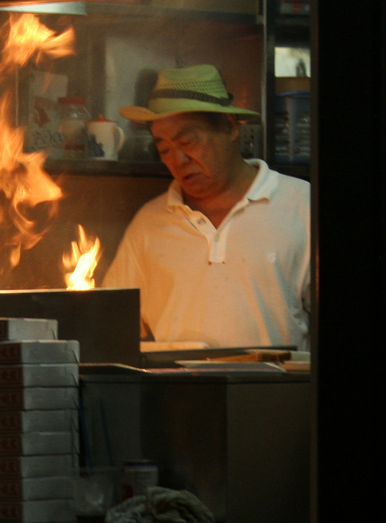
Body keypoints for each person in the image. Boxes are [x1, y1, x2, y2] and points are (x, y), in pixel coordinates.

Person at [103, 64, 310, 349]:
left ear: (229, 127)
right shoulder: (149, 222)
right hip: (176, 392)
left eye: (188, 141)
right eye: (163, 149)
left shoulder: (302, 205)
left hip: (276, 392)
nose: (177, 159)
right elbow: (112, 325)